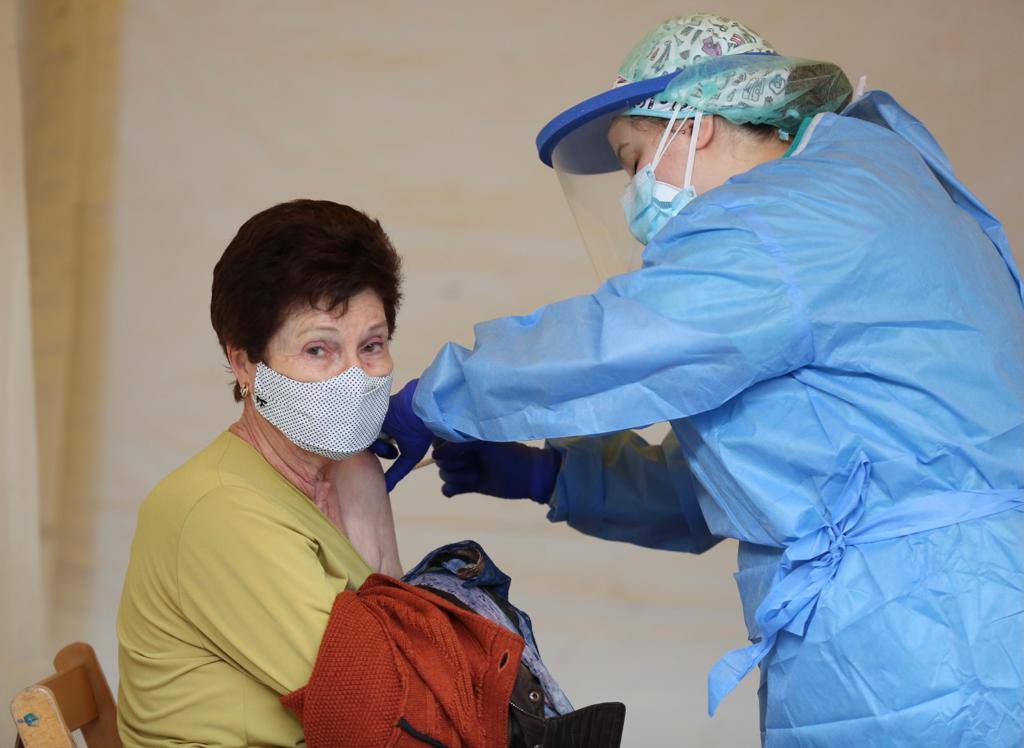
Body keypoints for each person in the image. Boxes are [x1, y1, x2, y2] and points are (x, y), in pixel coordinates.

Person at [374, 13, 1024, 747]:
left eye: (633, 161)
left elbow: (616, 340)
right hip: (954, 626)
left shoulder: (782, 221)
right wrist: (551, 474)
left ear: (697, 124)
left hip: (927, 648)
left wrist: (437, 398)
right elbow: (750, 480)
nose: (633, 198)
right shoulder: (859, 197)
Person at [117, 200, 404, 746]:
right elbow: (383, 709)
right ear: (245, 362)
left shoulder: (340, 477)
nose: (354, 377)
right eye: (319, 348)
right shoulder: (219, 509)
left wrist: (365, 488)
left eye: (372, 345)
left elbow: (403, 664)